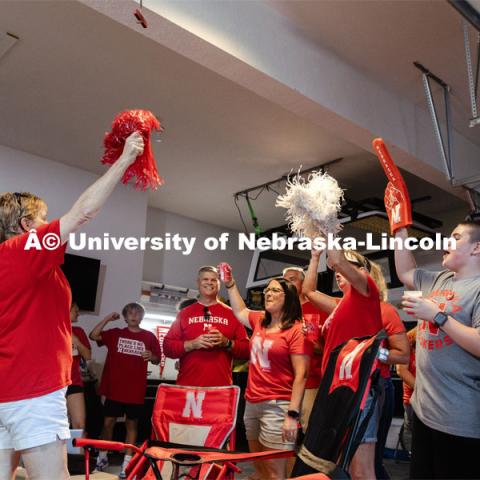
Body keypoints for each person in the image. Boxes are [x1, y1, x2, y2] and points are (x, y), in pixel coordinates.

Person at [0, 131, 144, 480]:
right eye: (43, 220)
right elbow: (82, 213)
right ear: (25, 227)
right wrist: (124, 160)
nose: (50, 227)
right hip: (32, 393)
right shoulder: (23, 251)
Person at [394, 220, 480, 479]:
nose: (446, 242)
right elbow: (406, 272)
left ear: (476, 249)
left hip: (459, 420)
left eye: (455, 237)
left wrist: (438, 316)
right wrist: (400, 230)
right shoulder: (439, 279)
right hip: (423, 411)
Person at [303, 248, 395, 480]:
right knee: (339, 465)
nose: (335, 269)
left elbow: (335, 259)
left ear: (362, 272)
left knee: (361, 468)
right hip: (336, 388)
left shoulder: (366, 292)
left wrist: (328, 228)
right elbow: (308, 291)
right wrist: (315, 256)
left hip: (359, 389)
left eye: (346, 264)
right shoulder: (339, 304)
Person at [221, 266, 311, 480]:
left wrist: (292, 415)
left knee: (275, 471)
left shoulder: (297, 330)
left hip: (278, 407)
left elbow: (302, 375)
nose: (268, 294)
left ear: (288, 297)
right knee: (259, 467)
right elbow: (240, 311)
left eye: (275, 291)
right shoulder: (260, 321)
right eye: (267, 291)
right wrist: (231, 284)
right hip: (252, 403)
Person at [89, 302, 161, 478]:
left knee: (132, 425)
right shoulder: (116, 334)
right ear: (125, 316)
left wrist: (151, 356)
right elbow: (93, 335)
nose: (134, 315)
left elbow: (157, 359)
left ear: (142, 317)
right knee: (108, 424)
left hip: (135, 390)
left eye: (137, 312)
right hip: (114, 389)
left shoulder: (149, 336)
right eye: (130, 312)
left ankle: (126, 464)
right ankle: (103, 458)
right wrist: (107, 319)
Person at [163, 266, 250, 387]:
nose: (209, 282)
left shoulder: (232, 314)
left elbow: (248, 350)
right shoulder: (184, 314)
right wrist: (192, 344)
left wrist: (227, 343)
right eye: (205, 279)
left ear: (219, 284)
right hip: (187, 387)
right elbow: (167, 348)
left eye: (214, 280)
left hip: (220, 390)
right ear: (198, 283)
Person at [281, 267, 327, 433]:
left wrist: (309, 345)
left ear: (304, 282)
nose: (288, 284)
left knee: (309, 431)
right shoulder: (279, 312)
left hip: (311, 383)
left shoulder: (319, 309)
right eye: (285, 281)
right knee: (284, 434)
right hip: (283, 384)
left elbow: (329, 349)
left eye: (292, 279)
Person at [67, 302, 91, 437]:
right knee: (56, 427)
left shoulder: (79, 331)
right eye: (75, 310)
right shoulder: (52, 328)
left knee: (79, 426)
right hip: (53, 385)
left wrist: (75, 340)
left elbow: (87, 355)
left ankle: (80, 458)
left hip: (74, 382)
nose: (78, 313)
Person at [396, 326, 417, 454]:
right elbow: (401, 370)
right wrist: (424, 390)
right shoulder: (409, 338)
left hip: (435, 397)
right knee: (411, 428)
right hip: (412, 398)